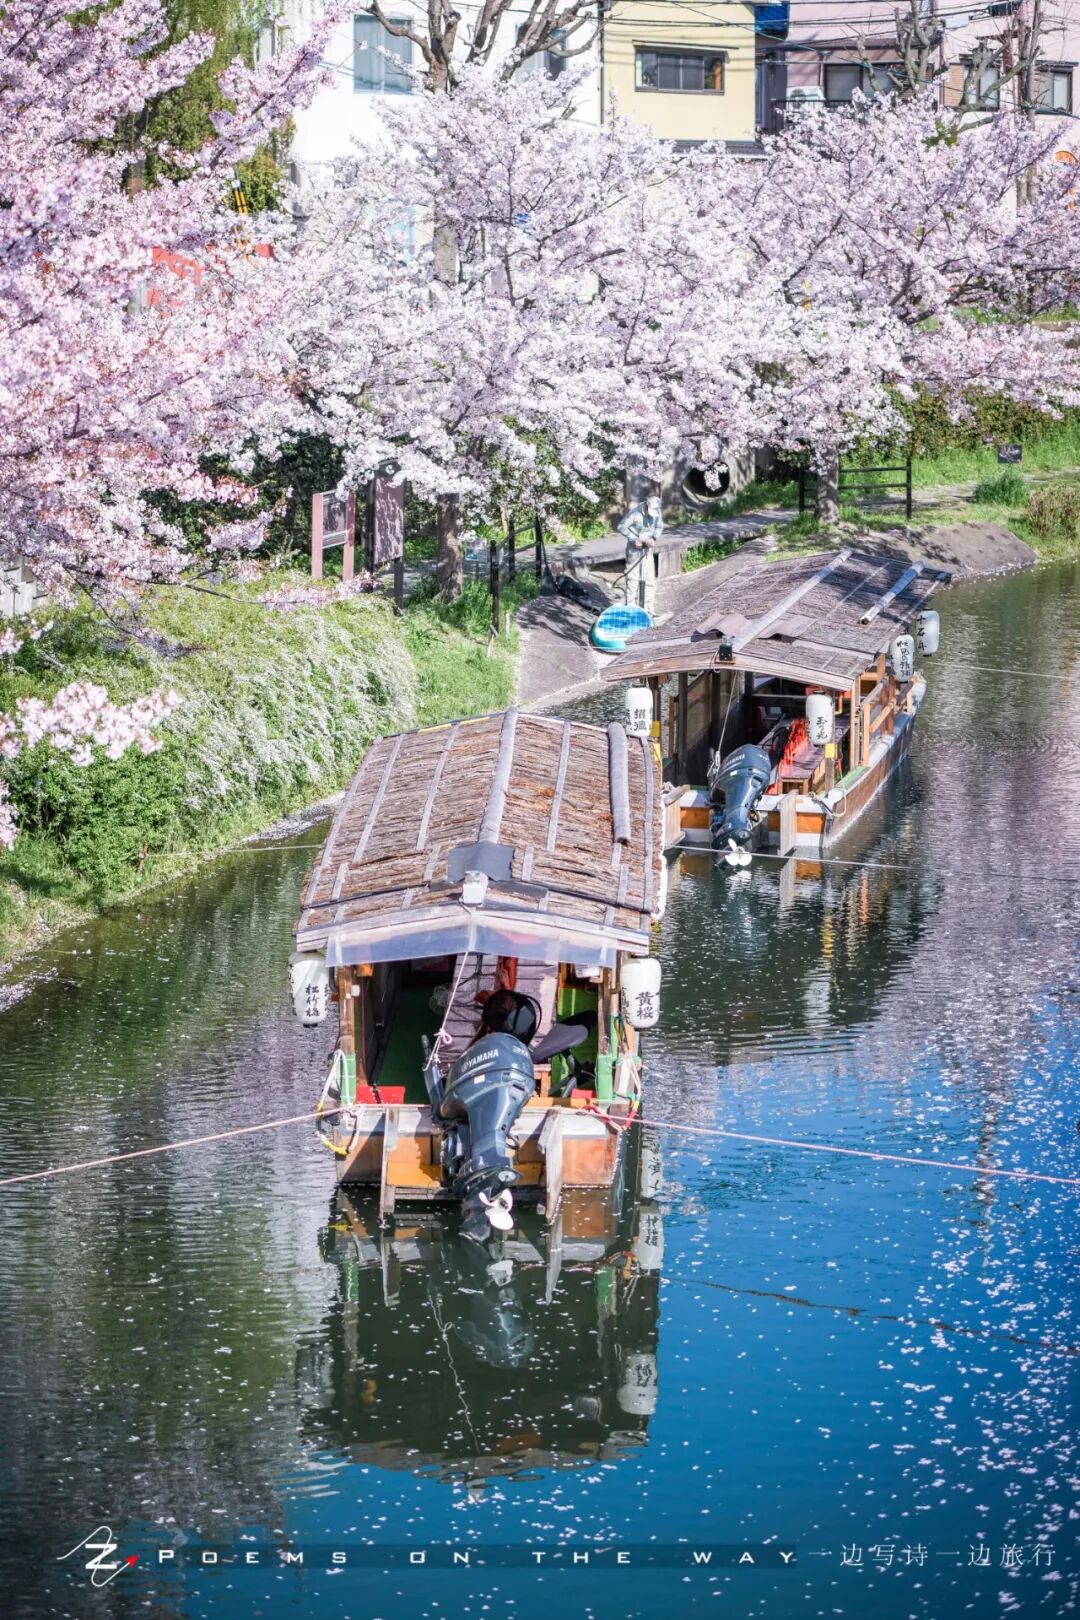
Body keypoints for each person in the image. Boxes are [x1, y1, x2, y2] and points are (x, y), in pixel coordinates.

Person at [617, 495, 663, 615]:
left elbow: (659, 527)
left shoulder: (657, 511)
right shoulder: (635, 513)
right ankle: (631, 608)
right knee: (633, 579)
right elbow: (621, 526)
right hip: (634, 550)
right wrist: (634, 539)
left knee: (649, 579)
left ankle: (648, 609)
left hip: (647, 549)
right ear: (646, 505)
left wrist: (654, 538)